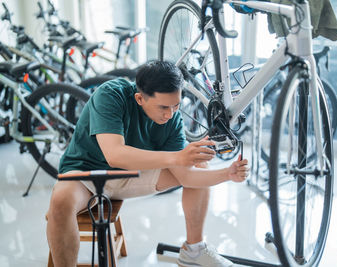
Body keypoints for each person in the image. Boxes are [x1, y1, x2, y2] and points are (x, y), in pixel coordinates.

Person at [46, 60, 249, 267]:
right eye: (163, 107)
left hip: (131, 175)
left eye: (176, 105)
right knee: (61, 201)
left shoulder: (173, 121)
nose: (170, 114)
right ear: (140, 98)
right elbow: (114, 155)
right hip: (86, 173)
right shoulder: (111, 94)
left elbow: (186, 177)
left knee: (198, 164)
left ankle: (193, 251)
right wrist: (176, 157)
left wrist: (227, 173)